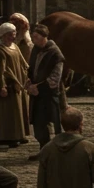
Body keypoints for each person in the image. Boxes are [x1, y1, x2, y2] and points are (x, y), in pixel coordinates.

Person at [0, 22, 32, 144]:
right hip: (8, 84)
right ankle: (7, 137)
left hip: (18, 83)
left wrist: (28, 76)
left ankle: (19, 134)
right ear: (3, 36)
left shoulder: (15, 47)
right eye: (10, 35)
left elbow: (23, 63)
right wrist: (2, 86)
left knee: (19, 110)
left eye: (14, 34)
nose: (13, 37)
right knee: (8, 112)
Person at [27, 23, 66, 156]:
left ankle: (58, 151)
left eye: (36, 37)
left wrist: (38, 88)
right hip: (36, 93)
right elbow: (31, 69)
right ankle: (44, 149)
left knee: (54, 122)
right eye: (33, 37)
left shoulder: (55, 53)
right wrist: (30, 83)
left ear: (44, 37)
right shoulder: (36, 49)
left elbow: (55, 78)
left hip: (49, 94)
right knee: (39, 124)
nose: (33, 40)